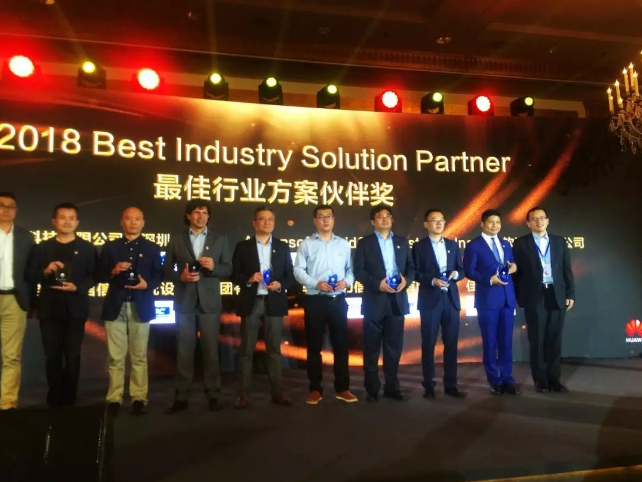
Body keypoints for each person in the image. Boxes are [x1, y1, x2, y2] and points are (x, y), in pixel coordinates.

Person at [163, 200, 232, 414]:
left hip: (209, 302)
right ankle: (181, 396)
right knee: (184, 350)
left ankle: (213, 394)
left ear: (208, 217)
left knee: (211, 351)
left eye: (204, 213)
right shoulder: (177, 240)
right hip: (185, 301)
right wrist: (180, 276)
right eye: (196, 212)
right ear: (188, 216)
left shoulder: (220, 239)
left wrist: (214, 267)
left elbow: (228, 269)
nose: (200, 216)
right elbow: (166, 270)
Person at [27, 202, 97, 407]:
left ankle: (70, 396)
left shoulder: (87, 248)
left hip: (75, 309)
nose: (67, 222)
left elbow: (95, 276)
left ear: (77, 222)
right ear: (54, 221)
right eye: (62, 217)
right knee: (52, 355)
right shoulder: (42, 247)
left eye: (71, 218)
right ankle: (54, 394)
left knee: (73, 355)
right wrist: (46, 270)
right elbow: (30, 275)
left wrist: (77, 287)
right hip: (49, 308)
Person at [98, 207, 163, 416]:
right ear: (121, 221)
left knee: (139, 356)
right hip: (115, 305)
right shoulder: (110, 247)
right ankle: (114, 398)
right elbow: (99, 274)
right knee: (115, 357)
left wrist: (147, 285)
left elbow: (159, 276)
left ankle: (139, 398)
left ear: (143, 223)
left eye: (137, 219)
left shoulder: (152, 248)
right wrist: (113, 270)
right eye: (128, 218)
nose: (133, 222)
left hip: (140, 305)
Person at [231, 206, 294, 409]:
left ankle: (277, 393)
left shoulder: (282, 247)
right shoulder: (243, 246)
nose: (267, 222)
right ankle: (243, 394)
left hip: (274, 301)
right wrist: (249, 279)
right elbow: (234, 275)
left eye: (270, 219)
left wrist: (280, 284)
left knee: (274, 350)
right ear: (254, 223)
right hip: (252, 301)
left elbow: (290, 275)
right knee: (246, 350)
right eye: (263, 219)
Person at [294, 205, 357, 405]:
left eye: (329, 216)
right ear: (315, 221)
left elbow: (351, 270)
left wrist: (346, 282)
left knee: (341, 346)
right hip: (316, 299)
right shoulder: (306, 244)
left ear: (334, 219)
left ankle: (342, 388)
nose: (325, 220)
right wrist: (315, 283)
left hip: (338, 300)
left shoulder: (344, 244)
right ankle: (315, 389)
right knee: (314, 346)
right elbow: (298, 270)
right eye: (321, 217)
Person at [353, 206, 414, 402]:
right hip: (374, 300)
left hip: (397, 301)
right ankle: (372, 390)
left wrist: (406, 280)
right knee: (371, 349)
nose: (385, 219)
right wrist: (377, 284)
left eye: (388, 216)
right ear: (373, 222)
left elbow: (411, 267)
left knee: (393, 349)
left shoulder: (402, 242)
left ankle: (392, 388)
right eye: (380, 216)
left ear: (392, 220)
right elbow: (359, 271)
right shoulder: (365, 243)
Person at [512, 207, 575, 393]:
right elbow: (517, 275)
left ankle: (554, 379)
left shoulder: (559, 242)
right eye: (534, 218)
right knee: (537, 340)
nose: (539, 221)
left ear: (547, 221)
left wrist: (570, 294)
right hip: (534, 295)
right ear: (528, 223)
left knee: (555, 339)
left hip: (556, 294)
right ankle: (540, 380)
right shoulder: (520, 243)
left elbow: (566, 269)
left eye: (542, 218)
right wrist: (520, 297)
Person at [463, 209, 519, 396]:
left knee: (506, 342)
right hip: (487, 300)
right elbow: (469, 271)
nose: (494, 225)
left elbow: (511, 263)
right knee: (490, 342)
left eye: (498, 222)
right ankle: (494, 380)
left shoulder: (505, 243)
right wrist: (489, 280)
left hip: (507, 299)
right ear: (482, 224)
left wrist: (514, 267)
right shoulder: (474, 245)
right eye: (491, 222)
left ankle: (507, 379)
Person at [412, 209, 465, 399]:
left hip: (450, 299)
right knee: (428, 344)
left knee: (451, 344)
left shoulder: (452, 245)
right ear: (426, 224)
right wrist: (432, 280)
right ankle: (429, 385)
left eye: (441, 220)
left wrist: (456, 274)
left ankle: (451, 385)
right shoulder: (419, 246)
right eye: (434, 220)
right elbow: (415, 272)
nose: (438, 223)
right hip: (430, 300)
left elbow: (461, 269)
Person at [0, 192, 34, 410]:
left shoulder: (25, 237)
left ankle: (7, 403)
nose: (6, 209)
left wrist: (33, 303)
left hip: (14, 299)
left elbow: (31, 273)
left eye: (10, 206)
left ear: (16, 210)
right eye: (1, 205)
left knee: (11, 356)